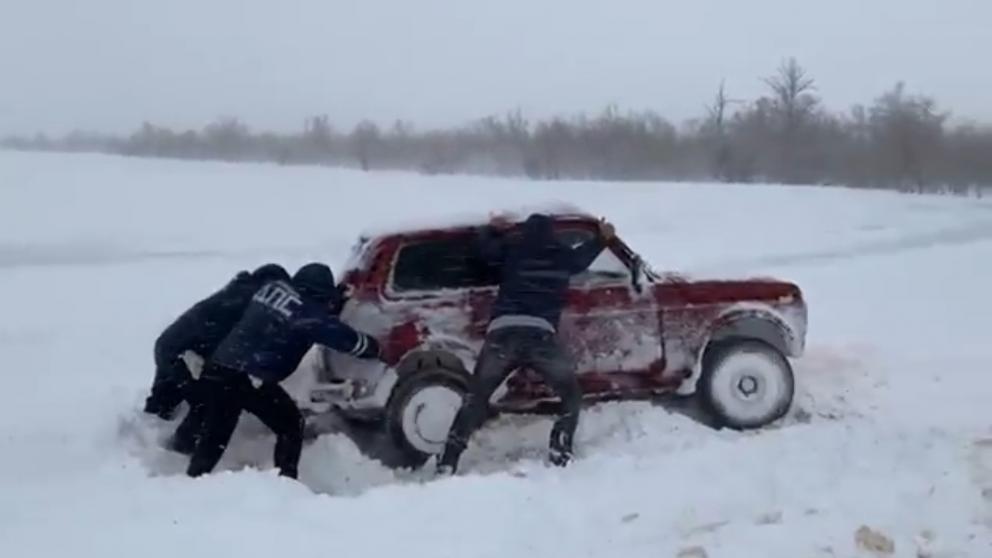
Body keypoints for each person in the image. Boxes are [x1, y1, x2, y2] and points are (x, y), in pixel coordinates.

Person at [437, 213, 614, 474]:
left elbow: (484, 252)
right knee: (571, 395)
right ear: (551, 234)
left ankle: (448, 460)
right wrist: (602, 238)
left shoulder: (513, 249)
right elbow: (582, 257)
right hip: (540, 337)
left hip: (503, 335)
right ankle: (560, 450)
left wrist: (491, 230)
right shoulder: (561, 255)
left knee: (476, 398)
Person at [186, 262, 383, 479]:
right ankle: (285, 481)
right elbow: (346, 339)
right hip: (247, 377)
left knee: (214, 431)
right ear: (319, 294)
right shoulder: (308, 315)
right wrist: (378, 347)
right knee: (290, 425)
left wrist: (334, 300)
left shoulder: (273, 289)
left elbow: (306, 311)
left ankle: (188, 468)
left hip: (220, 365)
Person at [144, 263, 290, 453]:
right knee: (206, 401)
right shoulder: (246, 301)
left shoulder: (236, 290)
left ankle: (146, 431)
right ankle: (179, 450)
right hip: (185, 354)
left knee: (166, 398)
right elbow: (229, 340)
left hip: (168, 344)